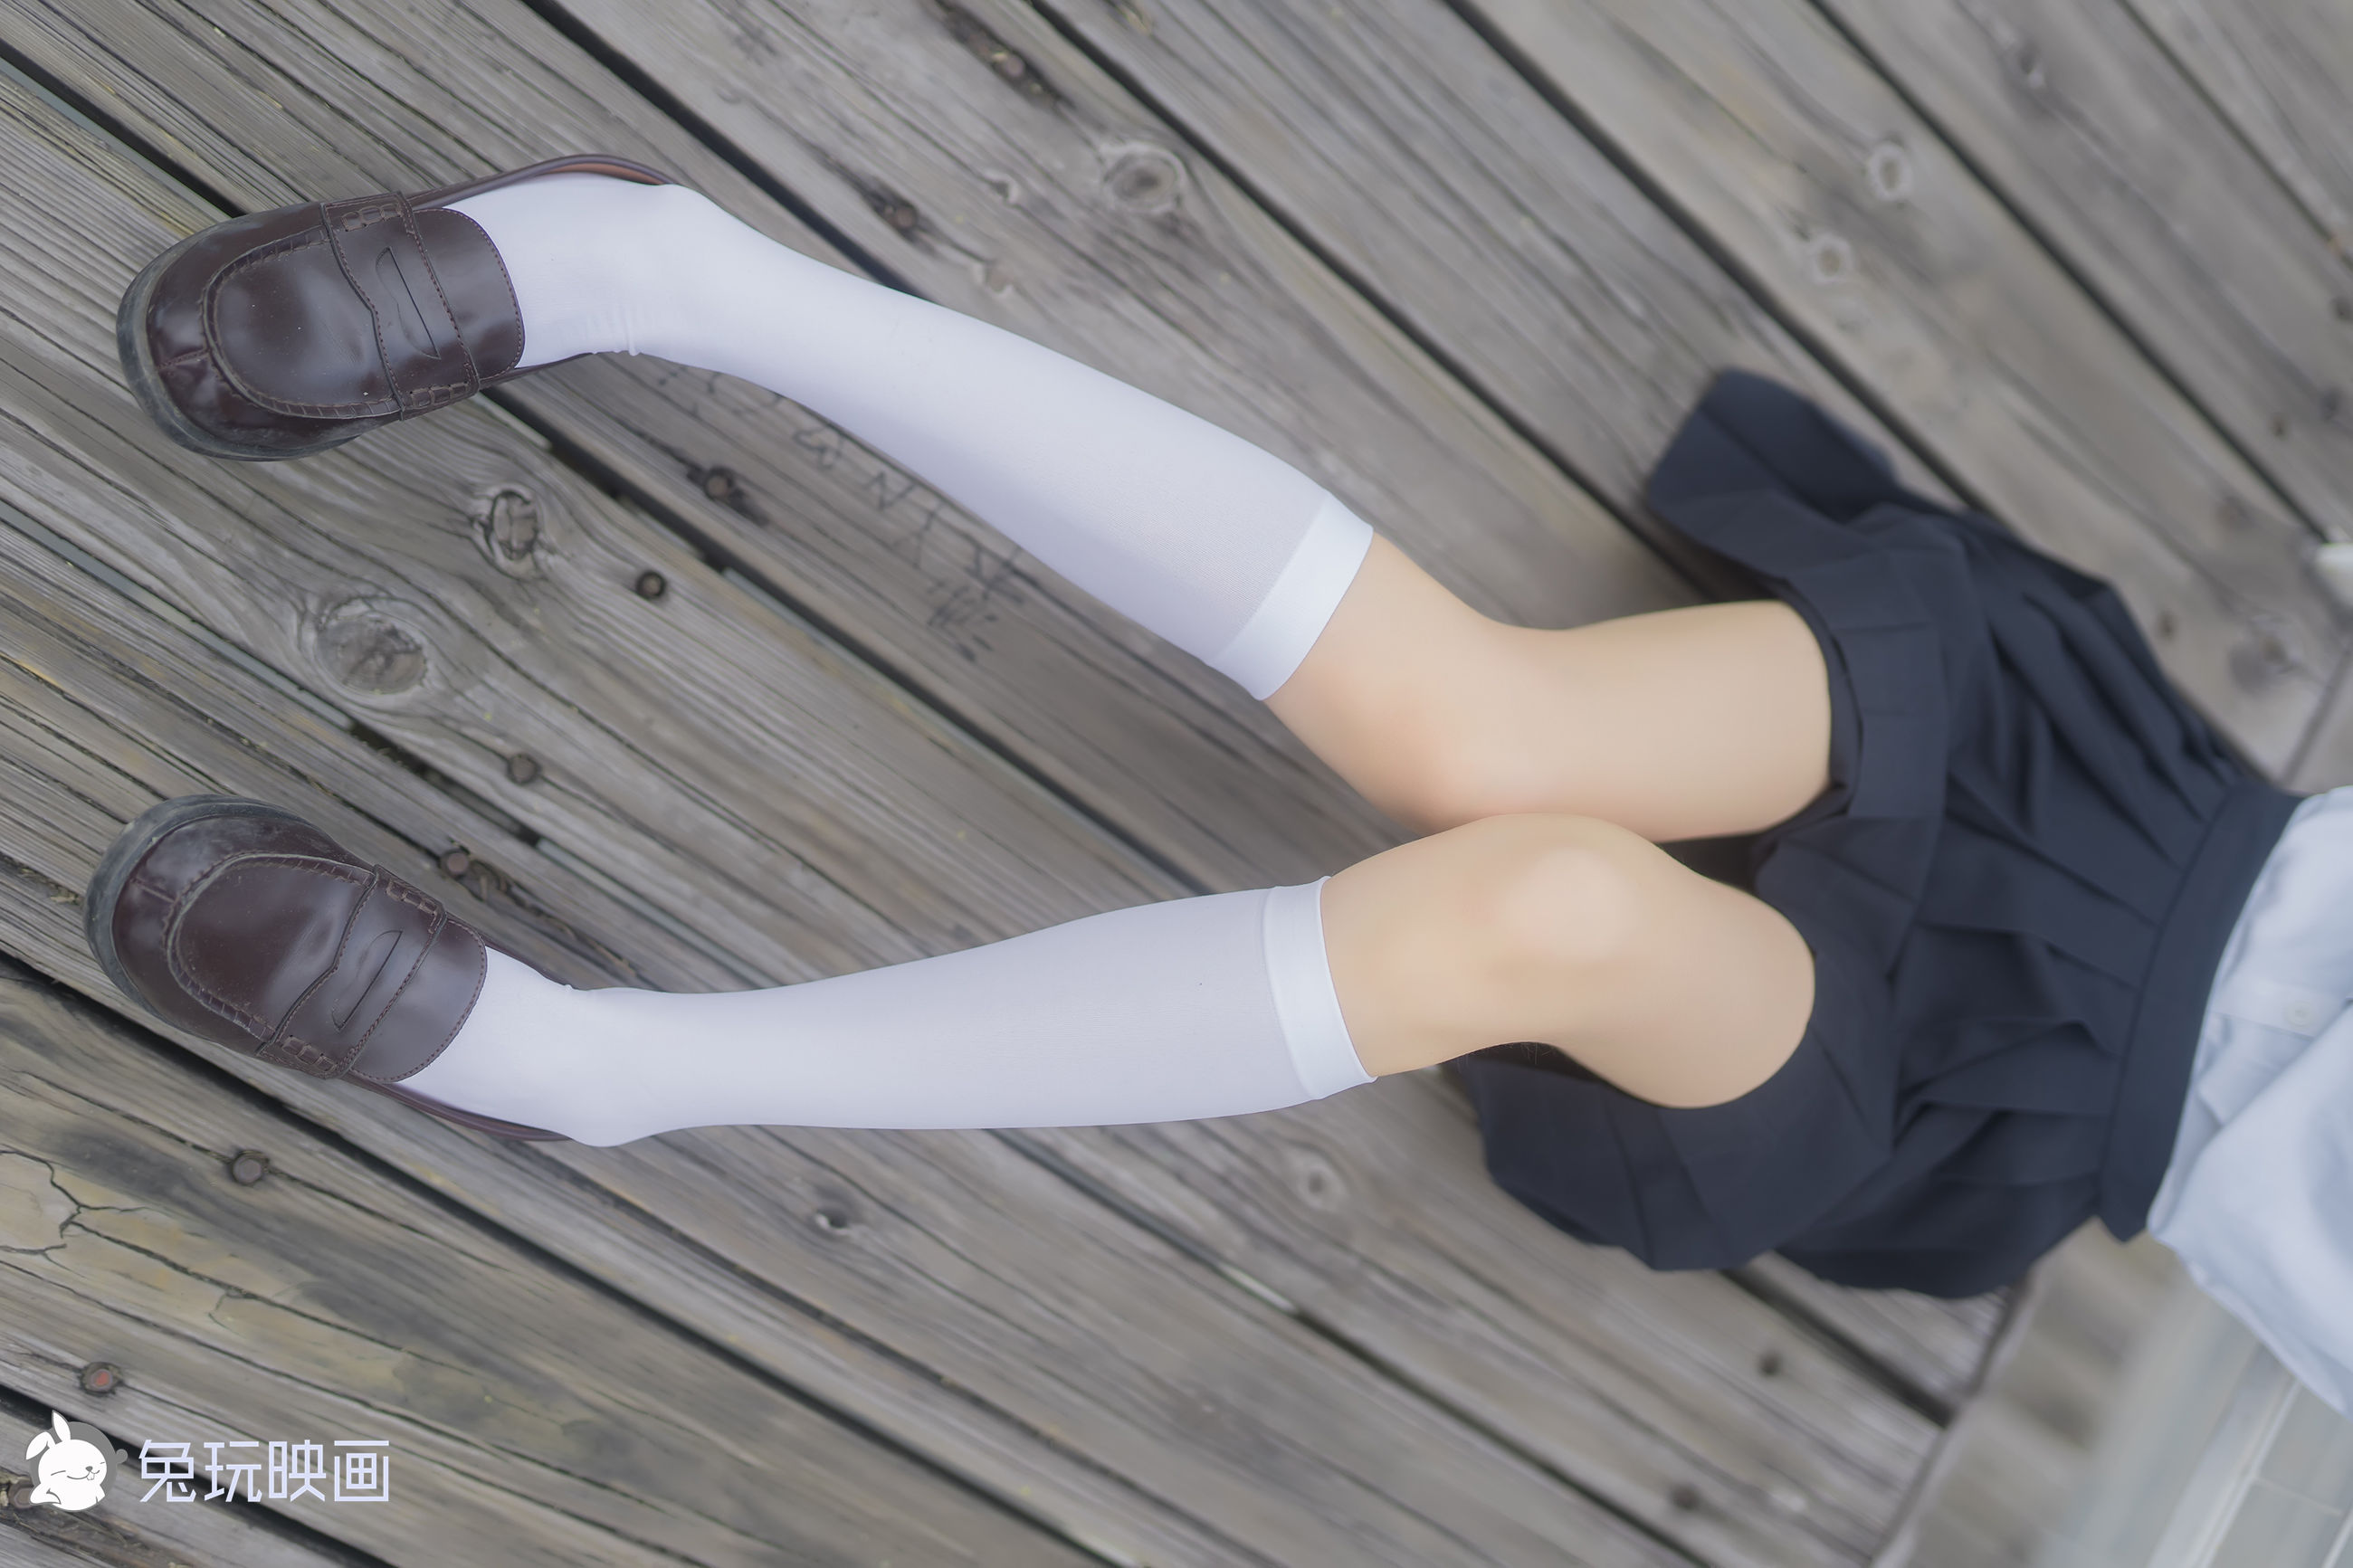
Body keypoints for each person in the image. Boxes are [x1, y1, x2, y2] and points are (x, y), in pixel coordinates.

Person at [92, 156, 2353, 1415]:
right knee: (1482, 737)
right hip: (2133, 804)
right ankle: (669, 268)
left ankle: (616, 1075)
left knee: (1551, 908)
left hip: (2014, 1120)